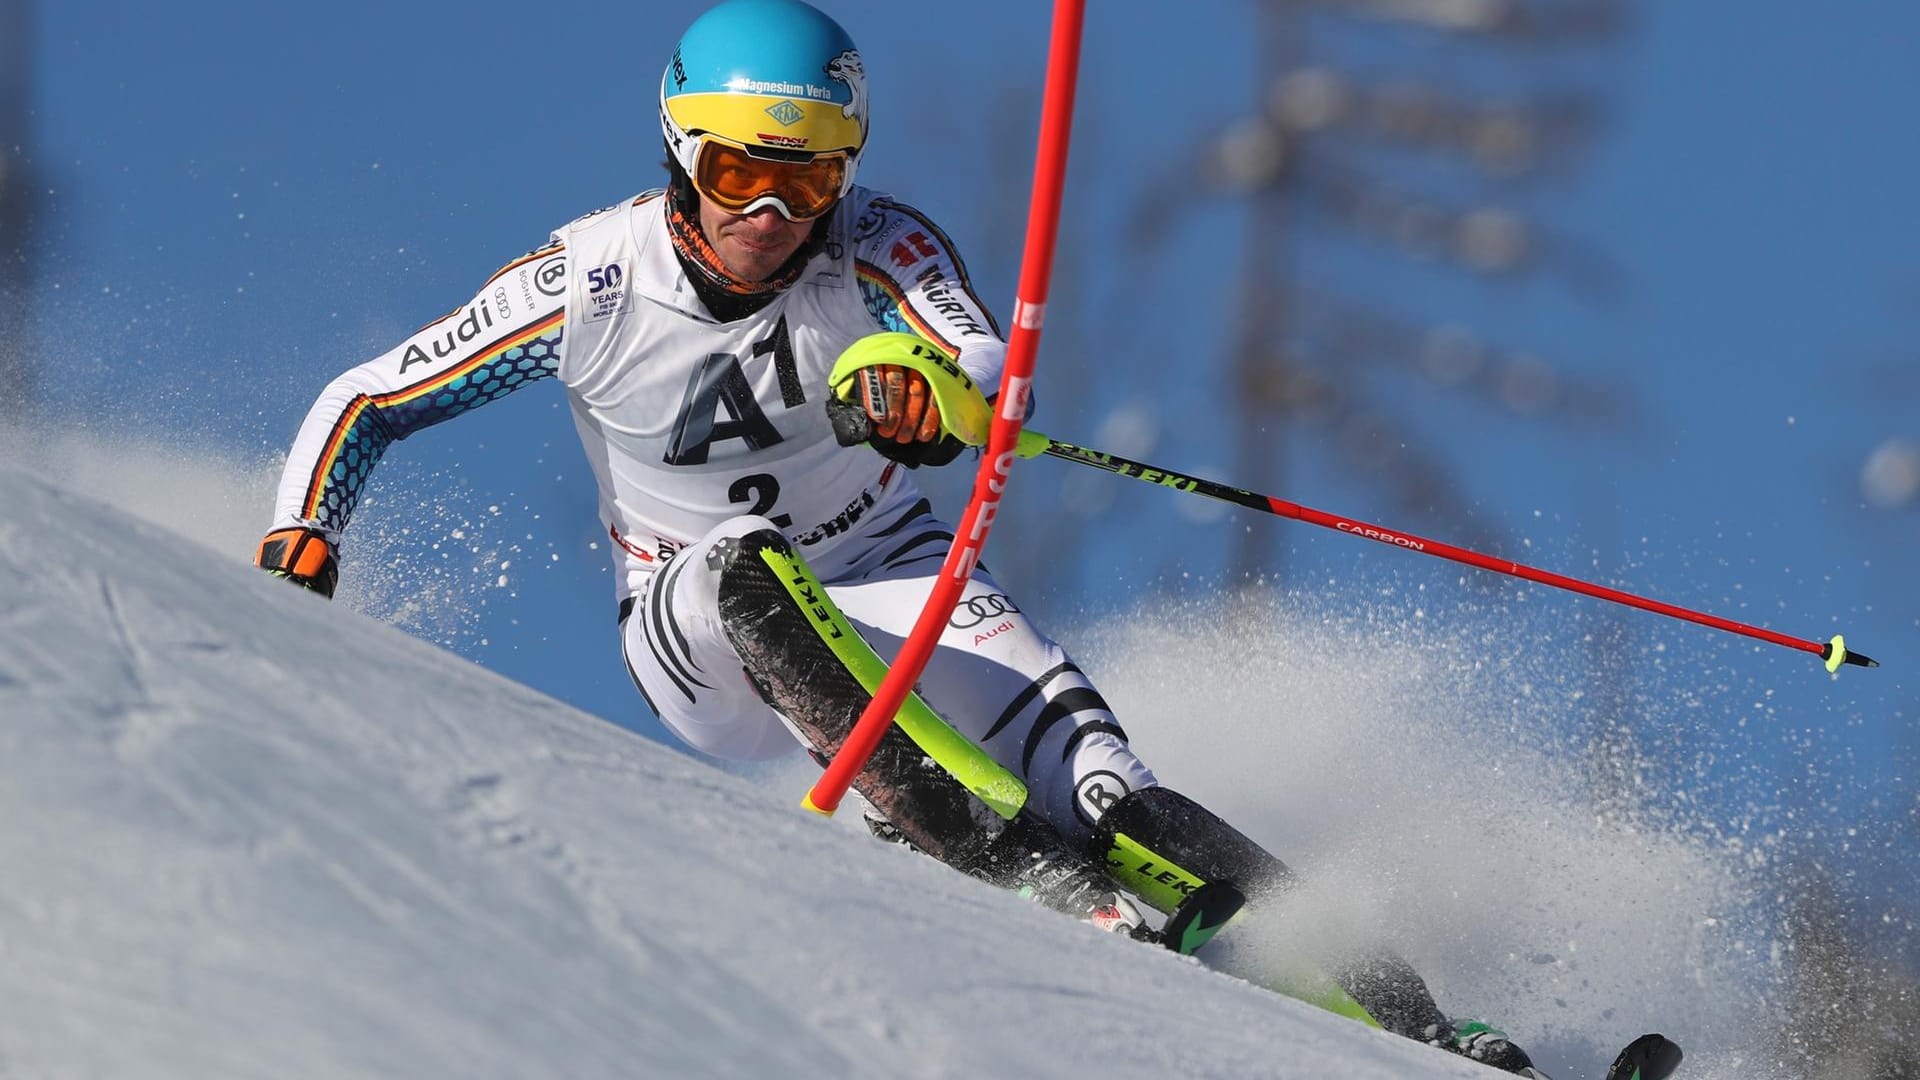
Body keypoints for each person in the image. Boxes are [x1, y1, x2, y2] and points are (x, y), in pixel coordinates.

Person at [254, 0, 1539, 1072]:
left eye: (806, 172)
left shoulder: (875, 245)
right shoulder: (589, 284)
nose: (772, 210)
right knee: (735, 564)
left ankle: (1430, 1029)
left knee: (1105, 787)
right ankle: (1009, 870)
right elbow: (368, 398)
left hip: (889, 575)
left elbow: (976, 349)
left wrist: (920, 382)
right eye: (740, 170)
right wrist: (302, 538)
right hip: (694, 633)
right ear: (679, 153)